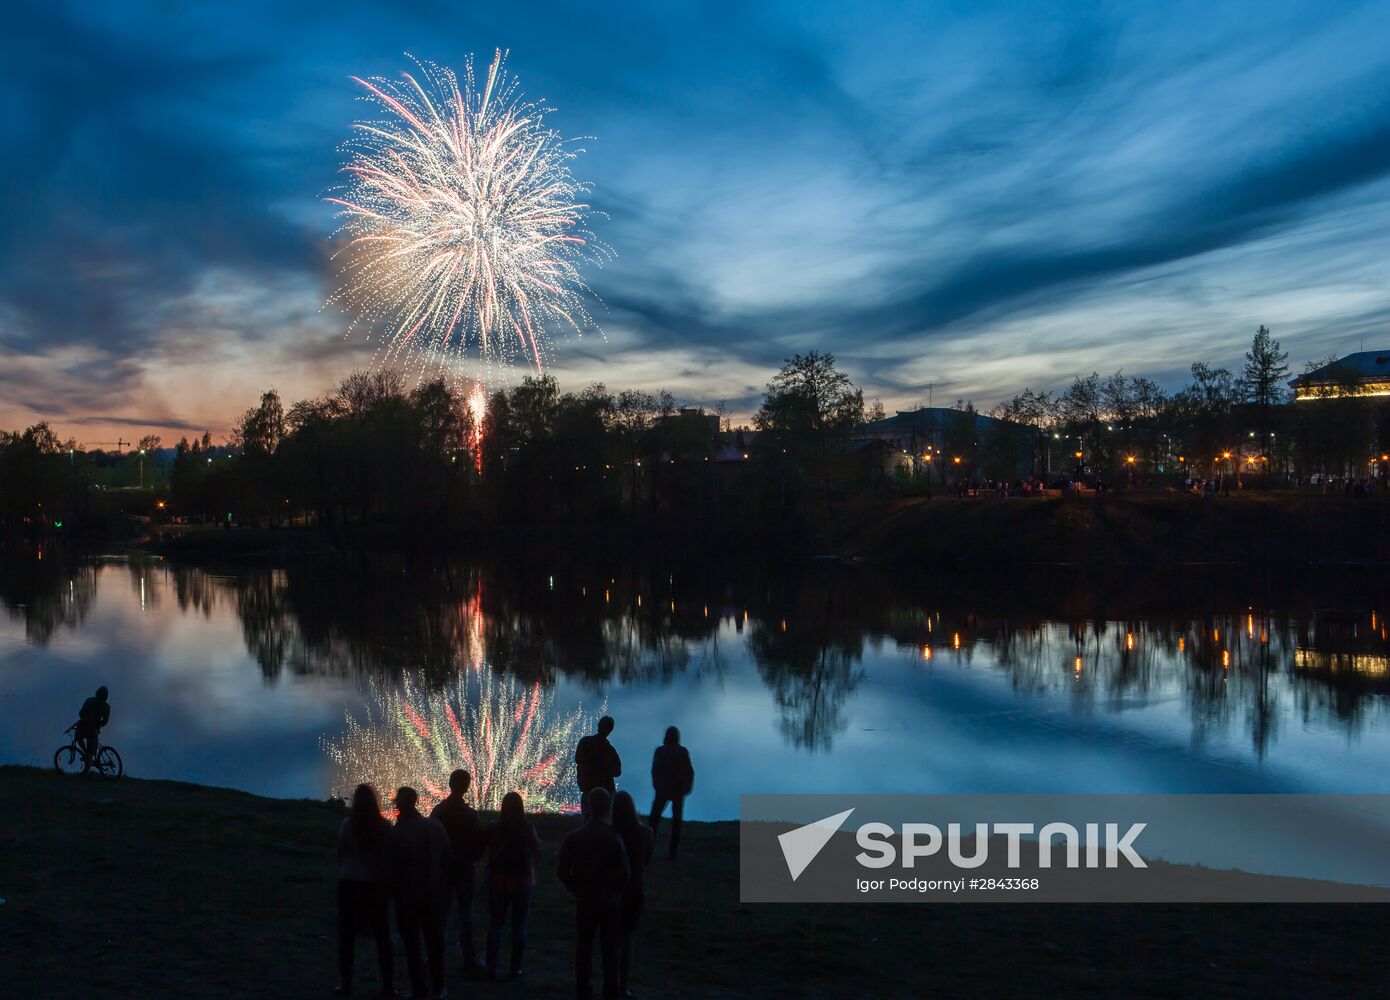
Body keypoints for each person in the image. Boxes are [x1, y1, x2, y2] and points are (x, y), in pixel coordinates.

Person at [557, 787, 630, 1000]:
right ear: (608, 808)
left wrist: (576, 889)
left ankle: (583, 987)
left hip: (585, 899)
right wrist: (615, 891)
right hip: (609, 900)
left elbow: (562, 871)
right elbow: (625, 873)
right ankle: (611, 989)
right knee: (610, 947)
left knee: (584, 945)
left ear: (588, 807)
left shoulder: (574, 837)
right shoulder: (615, 837)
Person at [391, 786, 452, 1000]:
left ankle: (419, 989)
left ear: (401, 803)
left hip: (408, 897)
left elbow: (392, 867)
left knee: (413, 946)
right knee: (434, 943)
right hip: (434, 894)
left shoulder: (398, 832)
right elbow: (447, 860)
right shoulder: (434, 827)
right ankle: (439, 987)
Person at [336, 784, 394, 998]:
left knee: (347, 936)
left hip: (349, 884)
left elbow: (341, 853)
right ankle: (387, 985)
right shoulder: (384, 827)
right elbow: (388, 858)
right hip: (374, 886)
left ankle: (346, 984)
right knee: (382, 936)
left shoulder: (346, 826)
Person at [430, 770, 485, 975]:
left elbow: (431, 840)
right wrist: (472, 859)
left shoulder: (438, 811)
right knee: (465, 915)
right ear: (467, 786)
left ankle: (434, 956)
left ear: (450, 784)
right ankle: (469, 958)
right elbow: (479, 844)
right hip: (464, 869)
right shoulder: (470, 815)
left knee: (440, 914)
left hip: (443, 869)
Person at [483, 791, 541, 980]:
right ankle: (515, 968)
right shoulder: (527, 827)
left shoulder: (494, 827)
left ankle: (491, 966)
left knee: (496, 924)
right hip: (523, 880)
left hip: (499, 879)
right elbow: (536, 849)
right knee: (519, 925)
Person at [611, 791, 653, 999]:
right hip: (635, 889)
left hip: (611, 889)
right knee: (627, 939)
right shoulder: (646, 833)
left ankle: (608, 983)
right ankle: (622, 986)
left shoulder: (610, 833)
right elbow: (646, 861)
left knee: (609, 939)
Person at [648, 726, 695, 859]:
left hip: (663, 789)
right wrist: (686, 788)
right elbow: (690, 772)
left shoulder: (660, 751)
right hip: (677, 790)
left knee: (654, 819)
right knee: (676, 821)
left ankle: (648, 849)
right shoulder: (682, 752)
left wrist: (657, 786)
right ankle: (672, 854)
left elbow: (654, 770)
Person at [575, 717, 622, 814]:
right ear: (610, 730)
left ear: (598, 726)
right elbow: (618, 772)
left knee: (587, 816)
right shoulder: (610, 750)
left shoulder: (585, 742)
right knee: (605, 817)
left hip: (588, 787)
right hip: (606, 789)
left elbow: (578, 759)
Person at [74, 685, 111, 764]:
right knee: (90, 750)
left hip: (83, 726)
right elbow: (105, 722)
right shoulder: (107, 707)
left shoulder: (89, 700)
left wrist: (85, 718)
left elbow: (81, 713)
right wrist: (99, 724)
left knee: (78, 737)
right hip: (94, 729)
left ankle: (86, 754)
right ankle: (88, 764)